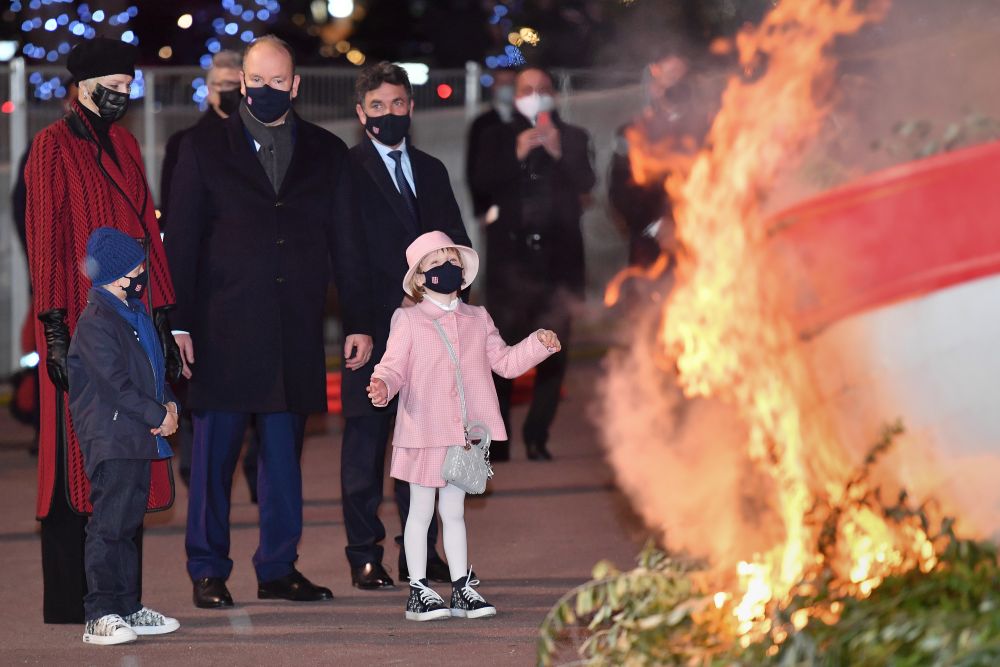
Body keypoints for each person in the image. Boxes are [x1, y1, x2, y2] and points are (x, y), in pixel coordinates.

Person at [165, 35, 371, 609]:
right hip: (221, 330)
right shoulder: (202, 149)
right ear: (243, 82)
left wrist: (357, 318)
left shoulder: (328, 153)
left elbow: (347, 243)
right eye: (257, 81)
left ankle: (278, 568)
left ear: (296, 84)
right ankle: (207, 569)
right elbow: (180, 242)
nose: (267, 91)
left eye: (279, 82)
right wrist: (177, 324)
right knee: (212, 462)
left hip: (293, 331)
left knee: (284, 461)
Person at [25, 38, 180, 625]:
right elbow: (46, 241)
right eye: (108, 87)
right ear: (80, 87)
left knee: (132, 453)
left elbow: (147, 230)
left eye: (126, 87)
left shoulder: (125, 143)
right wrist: (55, 331)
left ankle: (126, 600)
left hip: (133, 316)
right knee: (80, 454)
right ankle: (80, 603)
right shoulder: (50, 146)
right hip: (77, 320)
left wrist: (165, 318)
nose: (119, 97)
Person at [367, 230, 560, 620]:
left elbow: (504, 362)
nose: (447, 268)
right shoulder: (407, 319)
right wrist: (382, 385)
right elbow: (392, 367)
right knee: (420, 512)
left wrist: (537, 345)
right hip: (423, 432)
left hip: (465, 435)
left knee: (453, 512)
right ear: (420, 278)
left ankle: (460, 588)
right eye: (436, 263)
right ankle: (419, 590)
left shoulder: (478, 317)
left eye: (453, 261)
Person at [342, 61, 473, 589]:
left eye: (398, 104)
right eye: (378, 106)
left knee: (424, 445)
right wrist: (358, 321)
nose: (389, 114)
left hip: (433, 332)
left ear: (411, 108)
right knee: (366, 442)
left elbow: (457, 241)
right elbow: (345, 251)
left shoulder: (433, 169)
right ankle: (363, 553)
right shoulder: (346, 171)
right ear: (360, 113)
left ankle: (419, 552)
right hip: (372, 329)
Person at [470, 66, 595, 462]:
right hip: (511, 263)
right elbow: (479, 182)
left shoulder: (575, 137)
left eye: (542, 89)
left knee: (554, 352)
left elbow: (588, 182)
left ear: (553, 97)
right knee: (500, 350)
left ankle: (537, 435)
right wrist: (516, 154)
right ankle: (500, 438)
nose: (534, 95)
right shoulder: (496, 136)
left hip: (559, 265)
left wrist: (559, 153)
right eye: (527, 89)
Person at [67, 228, 181, 645]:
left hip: (136, 434)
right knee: (109, 527)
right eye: (136, 267)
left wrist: (170, 408)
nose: (142, 273)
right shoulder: (97, 322)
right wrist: (157, 414)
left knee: (129, 526)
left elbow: (153, 371)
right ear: (116, 274)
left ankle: (128, 606)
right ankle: (100, 613)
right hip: (112, 436)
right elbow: (114, 383)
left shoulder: (133, 314)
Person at [158, 50, 259, 499]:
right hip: (206, 287)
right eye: (218, 84)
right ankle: (199, 474)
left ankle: (256, 473)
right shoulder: (185, 143)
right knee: (204, 387)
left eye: (232, 84)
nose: (226, 92)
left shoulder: (263, 137)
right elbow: (175, 221)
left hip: (252, 284)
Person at [465, 68, 516, 225]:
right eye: (503, 83)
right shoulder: (482, 123)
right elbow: (473, 167)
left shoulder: (524, 118)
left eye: (511, 83)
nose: (507, 87)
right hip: (493, 204)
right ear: (494, 86)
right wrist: (481, 209)